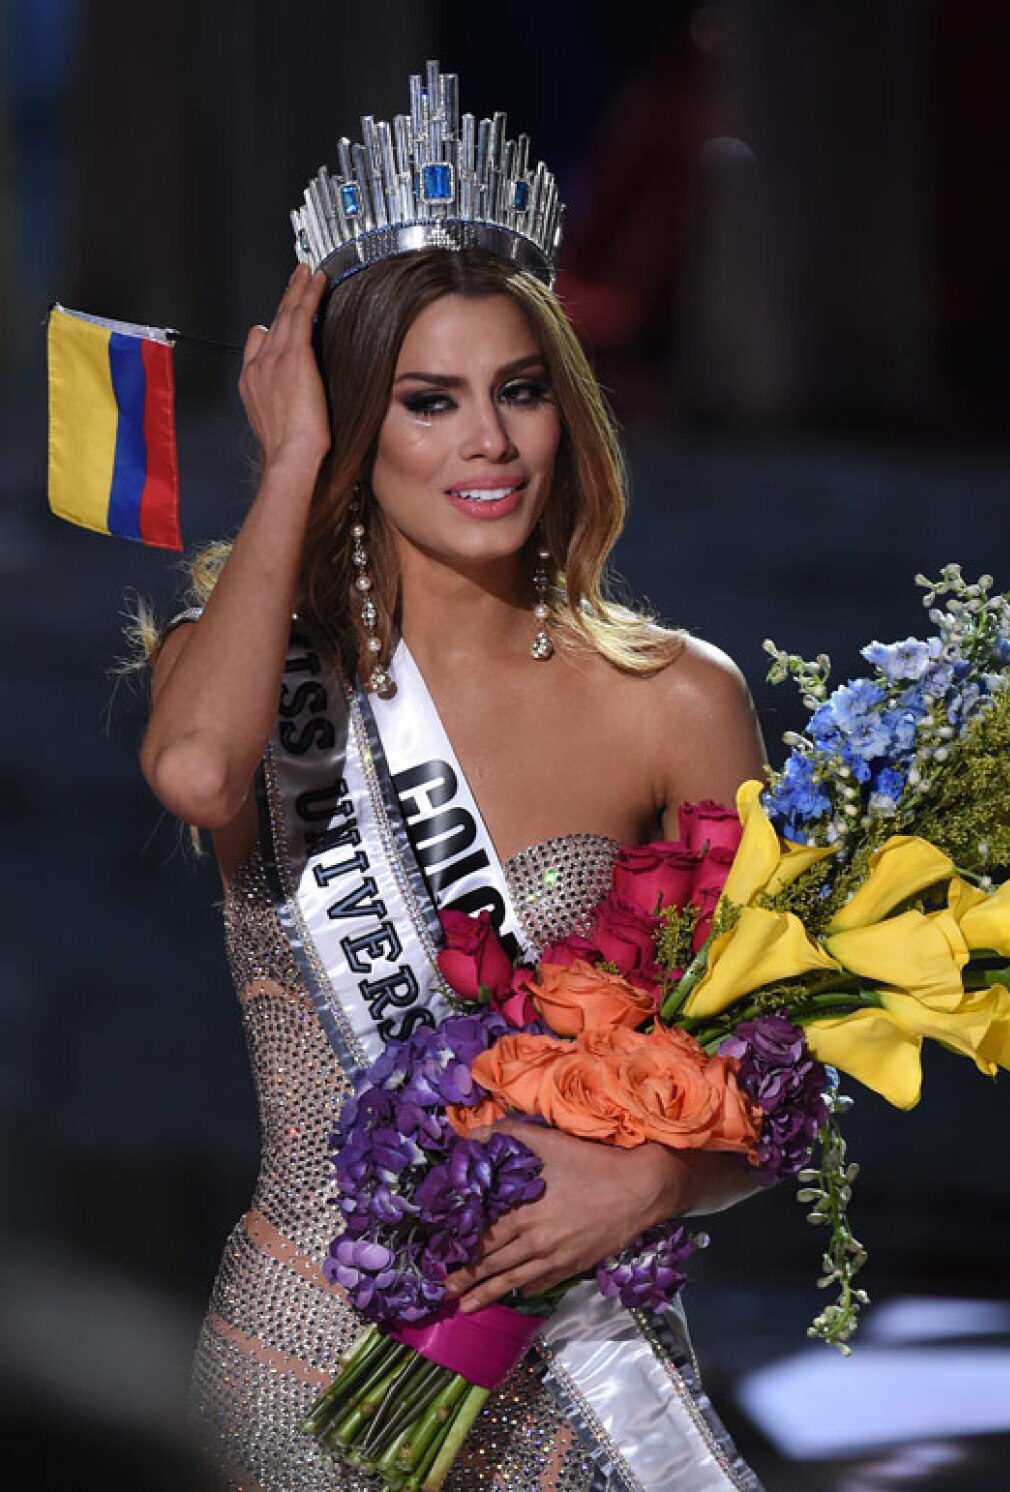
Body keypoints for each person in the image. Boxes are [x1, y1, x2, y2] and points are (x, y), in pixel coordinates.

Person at [139, 62, 770, 1492]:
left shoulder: (680, 698)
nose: (488, 443)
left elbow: (781, 1063)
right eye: (427, 403)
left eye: (521, 393)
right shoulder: (248, 676)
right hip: (307, 1357)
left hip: (589, 1373)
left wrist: (661, 1176)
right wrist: (290, 463)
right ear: (365, 432)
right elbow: (190, 770)